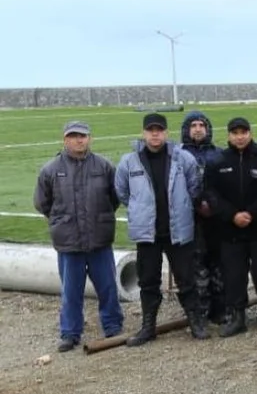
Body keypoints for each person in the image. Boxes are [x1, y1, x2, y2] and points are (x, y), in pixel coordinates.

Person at [114, 112, 207, 345]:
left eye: (159, 130)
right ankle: (148, 327)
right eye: (150, 130)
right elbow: (123, 193)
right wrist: (141, 211)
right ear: (144, 133)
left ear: (166, 132)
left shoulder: (182, 158)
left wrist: (182, 207)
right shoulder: (129, 161)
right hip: (148, 234)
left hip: (178, 231)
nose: (155, 134)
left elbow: (195, 187)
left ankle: (196, 321)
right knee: (148, 281)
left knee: (186, 279)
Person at [33, 120, 123, 351]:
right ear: (65, 139)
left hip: (99, 240)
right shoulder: (50, 170)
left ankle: (113, 325)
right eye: (73, 136)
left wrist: (99, 218)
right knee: (71, 291)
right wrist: (62, 221)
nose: (78, 140)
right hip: (68, 242)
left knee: (107, 287)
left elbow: (114, 199)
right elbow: (42, 203)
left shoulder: (104, 166)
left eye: (82, 136)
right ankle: (70, 333)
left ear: (89, 138)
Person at [205, 117, 257, 336]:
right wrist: (232, 215)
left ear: (250, 134)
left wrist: (252, 213)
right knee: (234, 275)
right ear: (229, 136)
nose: (240, 137)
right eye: (235, 133)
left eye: (244, 132)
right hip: (230, 230)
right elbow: (211, 193)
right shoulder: (218, 161)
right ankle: (237, 317)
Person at [180, 111, 225, 327]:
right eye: (193, 125)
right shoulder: (178, 155)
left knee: (219, 264)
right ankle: (200, 310)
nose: (198, 129)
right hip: (191, 219)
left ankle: (220, 309)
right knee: (196, 267)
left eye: (201, 125)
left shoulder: (219, 154)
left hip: (217, 220)